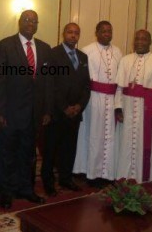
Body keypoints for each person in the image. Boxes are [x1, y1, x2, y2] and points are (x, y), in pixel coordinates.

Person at [0, 9, 52, 209]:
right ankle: (7, 192)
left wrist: (46, 111)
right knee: (7, 155)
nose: (30, 24)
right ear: (19, 22)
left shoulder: (45, 48)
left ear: (37, 25)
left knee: (28, 155)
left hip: (34, 114)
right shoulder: (5, 46)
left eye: (34, 21)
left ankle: (27, 189)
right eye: (27, 20)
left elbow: (47, 83)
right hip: (9, 113)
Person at [114, 30, 152, 183]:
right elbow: (120, 88)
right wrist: (118, 108)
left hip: (147, 111)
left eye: (144, 39)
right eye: (137, 39)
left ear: (150, 41)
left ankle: (146, 177)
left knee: (145, 145)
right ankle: (124, 177)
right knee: (126, 143)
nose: (140, 41)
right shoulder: (125, 60)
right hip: (128, 109)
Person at [41, 23, 90, 196]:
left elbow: (86, 86)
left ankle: (66, 179)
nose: (73, 35)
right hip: (57, 113)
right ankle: (48, 182)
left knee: (69, 149)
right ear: (63, 34)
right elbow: (50, 84)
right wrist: (64, 107)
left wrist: (79, 106)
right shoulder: (53, 54)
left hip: (75, 114)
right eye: (70, 32)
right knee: (50, 150)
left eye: (76, 33)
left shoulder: (83, 57)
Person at [73, 21, 122, 188]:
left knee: (109, 137)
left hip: (112, 98)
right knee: (92, 136)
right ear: (97, 32)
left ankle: (107, 172)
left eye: (110, 30)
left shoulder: (118, 52)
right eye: (103, 31)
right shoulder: (87, 50)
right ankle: (91, 172)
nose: (107, 33)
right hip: (93, 99)